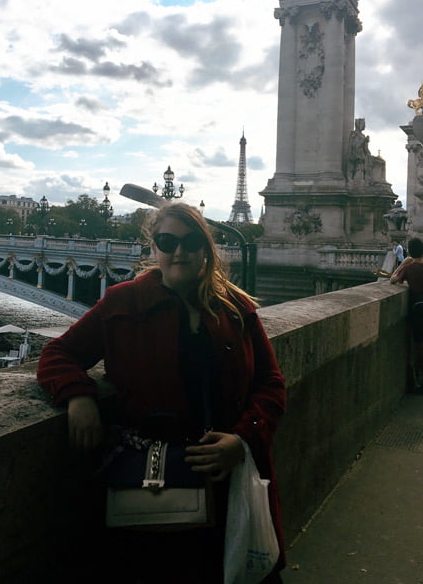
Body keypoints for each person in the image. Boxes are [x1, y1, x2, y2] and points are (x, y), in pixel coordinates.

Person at [37, 202, 286, 583]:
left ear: (206, 249)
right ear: (153, 248)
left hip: (224, 472)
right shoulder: (122, 302)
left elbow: (270, 384)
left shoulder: (236, 308)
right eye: (166, 241)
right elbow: (59, 353)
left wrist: (243, 438)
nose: (179, 252)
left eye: (190, 242)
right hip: (153, 477)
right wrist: (77, 395)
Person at [390, 237, 423, 390]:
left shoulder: (409, 268)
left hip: (417, 309)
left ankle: (417, 379)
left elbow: (393, 279)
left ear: (409, 251)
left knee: (417, 345)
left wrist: (403, 263)